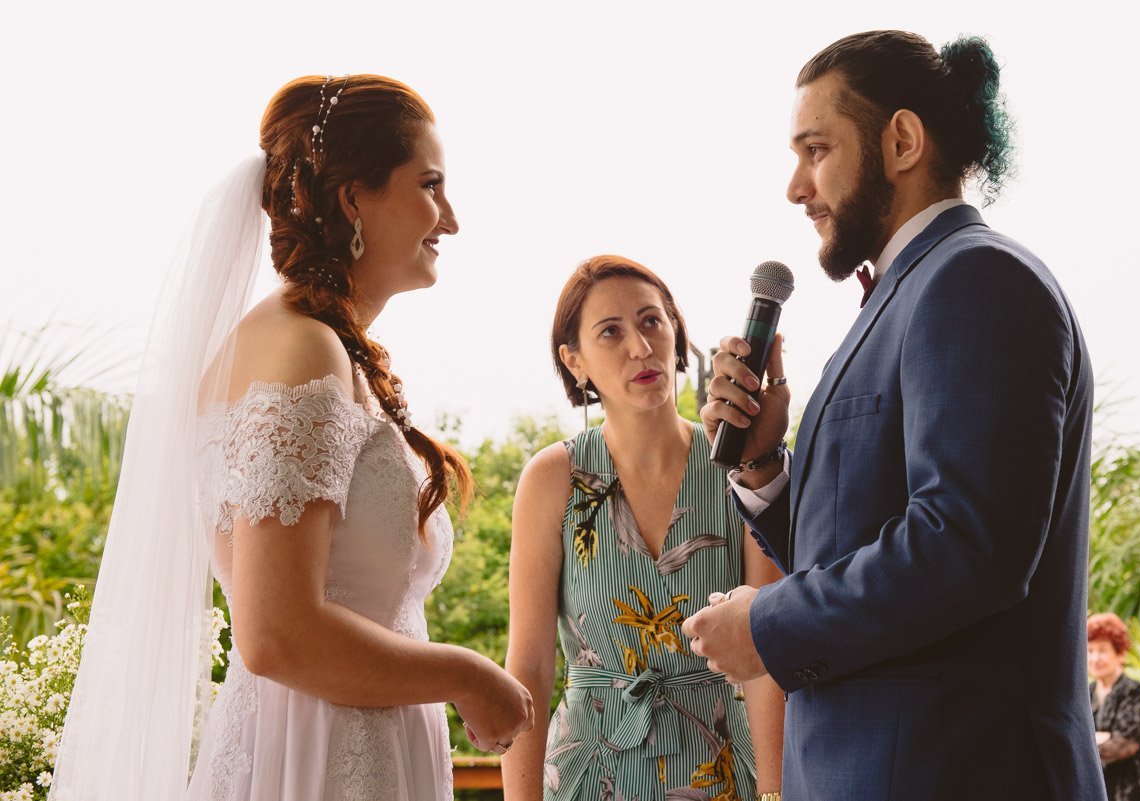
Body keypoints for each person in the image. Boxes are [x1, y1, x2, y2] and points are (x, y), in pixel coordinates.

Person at [50, 75, 532, 801]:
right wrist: (466, 672)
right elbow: (276, 632)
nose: (451, 219)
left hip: (355, 746)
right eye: (430, 185)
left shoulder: (318, 345)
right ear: (354, 198)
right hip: (313, 760)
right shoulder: (301, 348)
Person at [681, 30, 1107, 800]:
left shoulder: (976, 279)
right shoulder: (908, 294)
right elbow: (857, 537)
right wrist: (763, 463)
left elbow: (966, 546)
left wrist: (766, 627)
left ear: (901, 140)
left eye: (815, 150)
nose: (795, 187)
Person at [502, 255, 785, 801]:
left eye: (652, 321)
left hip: (722, 769)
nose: (640, 346)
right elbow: (531, 666)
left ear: (676, 331)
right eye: (611, 331)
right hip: (590, 773)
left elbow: (765, 650)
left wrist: (775, 794)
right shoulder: (552, 478)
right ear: (575, 361)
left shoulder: (738, 466)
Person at [1088, 613, 1140, 801]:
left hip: (1135, 790)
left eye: (1102, 650)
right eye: (1090, 651)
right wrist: (1104, 737)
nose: (1095, 658)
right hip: (1101, 789)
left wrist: (1088, 740)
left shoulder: (1135, 691)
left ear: (1120, 653)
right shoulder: (1086, 694)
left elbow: (1123, 746)